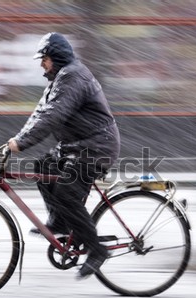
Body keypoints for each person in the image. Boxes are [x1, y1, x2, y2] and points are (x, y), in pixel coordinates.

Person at [8, 32, 120, 278]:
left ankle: (97, 250)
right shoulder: (59, 79)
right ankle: (60, 222)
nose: (41, 64)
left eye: (44, 59)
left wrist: (22, 143)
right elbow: (39, 114)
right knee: (43, 166)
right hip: (76, 146)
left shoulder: (72, 77)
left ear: (56, 57)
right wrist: (15, 141)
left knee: (67, 192)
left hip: (96, 147)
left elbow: (53, 116)